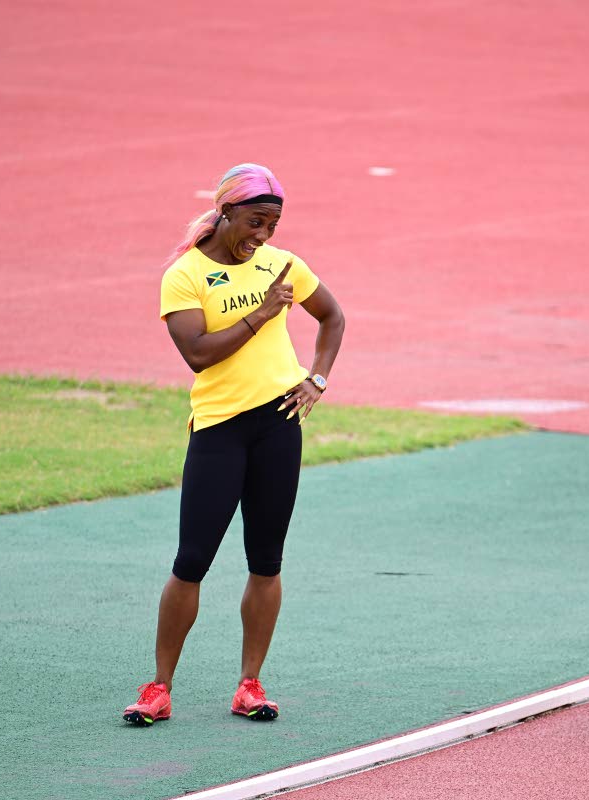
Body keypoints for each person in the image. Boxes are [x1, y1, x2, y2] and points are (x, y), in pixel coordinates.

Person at [123, 163, 345, 726]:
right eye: (253, 222)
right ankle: (158, 688)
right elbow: (198, 352)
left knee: (266, 561)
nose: (263, 236)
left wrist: (315, 378)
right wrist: (263, 312)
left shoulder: (283, 264)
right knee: (192, 562)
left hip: (277, 426)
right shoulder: (185, 274)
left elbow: (332, 317)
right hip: (219, 430)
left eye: (271, 224)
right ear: (225, 213)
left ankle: (250, 684)